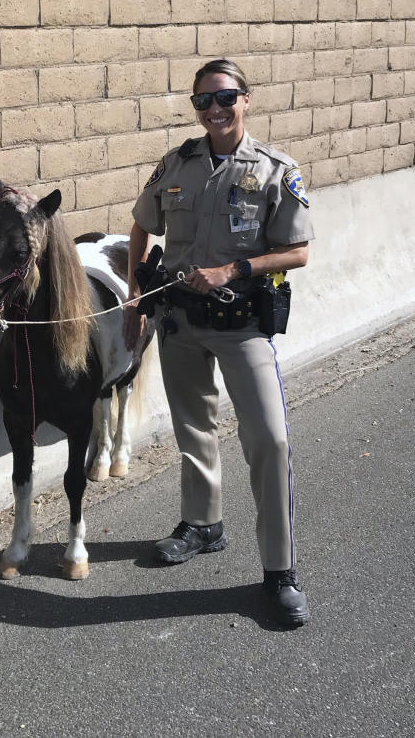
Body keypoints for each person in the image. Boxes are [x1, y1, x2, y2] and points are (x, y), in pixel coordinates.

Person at [124, 59, 315, 626]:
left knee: (270, 440)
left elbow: (298, 251)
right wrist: (136, 295)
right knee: (193, 426)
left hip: (241, 326)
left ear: (246, 100)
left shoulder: (276, 169)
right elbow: (141, 225)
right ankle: (203, 523)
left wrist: (233, 270)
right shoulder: (177, 164)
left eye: (225, 98)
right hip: (180, 323)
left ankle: (279, 572)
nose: (215, 110)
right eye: (203, 101)